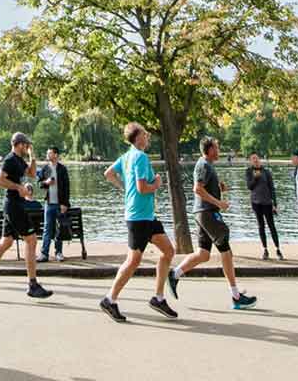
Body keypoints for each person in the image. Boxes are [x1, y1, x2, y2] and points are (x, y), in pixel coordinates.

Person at [167, 137, 257, 310]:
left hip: (202, 213)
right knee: (226, 250)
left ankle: (174, 274)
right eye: (217, 147)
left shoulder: (207, 165)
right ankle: (236, 296)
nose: (219, 150)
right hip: (207, 213)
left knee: (203, 254)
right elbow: (197, 189)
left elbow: (204, 187)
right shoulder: (204, 165)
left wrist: (217, 187)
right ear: (209, 150)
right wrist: (218, 203)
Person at [99, 121, 175, 322]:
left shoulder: (126, 157)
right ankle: (109, 299)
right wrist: (156, 184)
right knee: (133, 261)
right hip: (138, 217)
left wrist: (125, 188)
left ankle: (158, 298)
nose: (147, 136)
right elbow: (143, 188)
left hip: (147, 216)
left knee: (168, 251)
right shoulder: (140, 157)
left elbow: (108, 174)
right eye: (145, 133)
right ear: (137, 137)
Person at [0, 132, 54, 301]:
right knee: (31, 240)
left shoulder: (19, 160)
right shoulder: (10, 159)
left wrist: (33, 155)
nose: (27, 147)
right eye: (26, 145)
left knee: (6, 241)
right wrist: (18, 187)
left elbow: (32, 174)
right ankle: (32, 284)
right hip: (13, 205)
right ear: (18, 144)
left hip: (13, 205)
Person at [245, 153, 283, 260]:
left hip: (267, 202)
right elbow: (249, 187)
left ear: (260, 160)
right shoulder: (249, 172)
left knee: (272, 226)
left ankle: (278, 249)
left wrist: (274, 203)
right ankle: (265, 249)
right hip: (256, 203)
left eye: (257, 158)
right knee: (261, 226)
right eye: (253, 159)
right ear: (250, 161)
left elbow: (272, 188)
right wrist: (255, 178)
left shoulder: (266, 172)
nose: (255, 160)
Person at [37, 146, 70, 262]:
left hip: (60, 204)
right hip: (49, 203)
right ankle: (44, 254)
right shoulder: (45, 168)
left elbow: (67, 188)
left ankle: (59, 253)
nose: (47, 155)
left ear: (56, 155)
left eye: (49, 153)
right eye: (47, 153)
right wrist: (46, 182)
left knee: (58, 229)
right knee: (47, 229)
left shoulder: (62, 169)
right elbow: (39, 184)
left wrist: (65, 204)